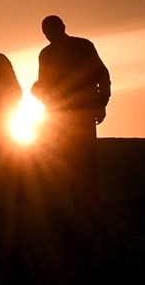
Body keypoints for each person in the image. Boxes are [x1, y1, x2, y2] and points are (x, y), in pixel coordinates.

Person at [31, 15, 111, 211]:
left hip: (81, 111)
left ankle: (88, 203)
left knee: (85, 159)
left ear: (63, 27)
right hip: (59, 115)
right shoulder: (46, 54)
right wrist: (39, 93)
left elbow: (102, 76)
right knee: (67, 159)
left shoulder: (83, 46)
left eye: (51, 30)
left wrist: (101, 104)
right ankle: (77, 203)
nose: (49, 35)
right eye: (46, 32)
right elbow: (44, 84)